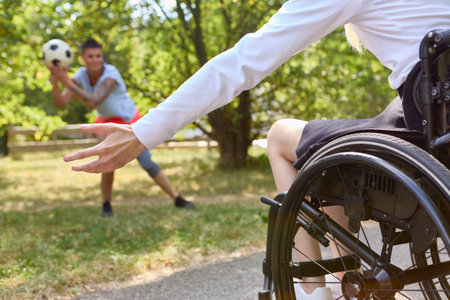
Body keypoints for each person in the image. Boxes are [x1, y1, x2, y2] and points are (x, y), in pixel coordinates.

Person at [62, 1, 450, 298]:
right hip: (435, 119)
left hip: (428, 124)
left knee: (283, 137)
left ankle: (313, 289)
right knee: (330, 143)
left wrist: (144, 132)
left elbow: (244, 62)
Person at [48, 39, 195, 217]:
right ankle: (106, 205)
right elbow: (61, 102)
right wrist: (56, 83)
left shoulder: (111, 74)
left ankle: (176, 198)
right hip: (106, 121)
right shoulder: (80, 76)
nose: (95, 60)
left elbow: (95, 99)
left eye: (98, 56)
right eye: (90, 57)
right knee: (106, 162)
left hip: (129, 121)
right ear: (83, 58)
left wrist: (66, 80)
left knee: (146, 162)